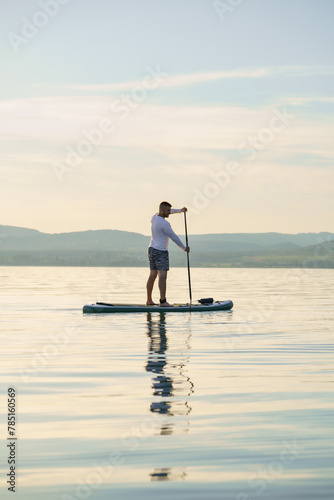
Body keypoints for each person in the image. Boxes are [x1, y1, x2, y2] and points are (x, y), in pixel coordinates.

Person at [146, 202, 190, 307]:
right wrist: (184, 248)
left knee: (153, 274)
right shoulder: (165, 224)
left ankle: (149, 300)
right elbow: (174, 237)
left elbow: (170, 210)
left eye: (170, 210)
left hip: (151, 249)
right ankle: (163, 301)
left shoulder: (154, 217)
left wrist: (180, 210)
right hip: (161, 251)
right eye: (167, 211)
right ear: (162, 210)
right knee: (162, 275)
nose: (169, 213)